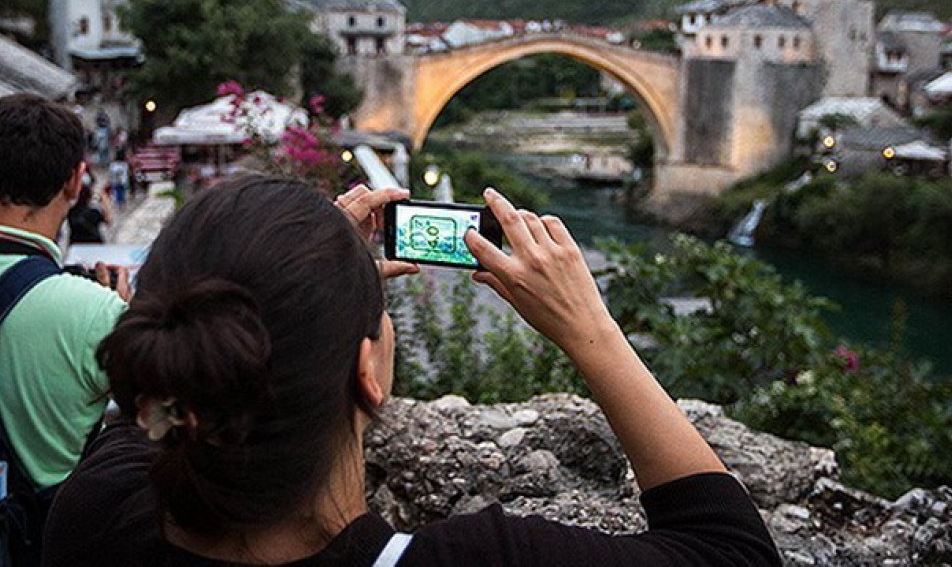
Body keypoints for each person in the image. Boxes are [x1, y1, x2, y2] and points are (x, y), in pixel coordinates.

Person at [43, 177, 781, 566]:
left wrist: (297, 278)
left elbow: (143, 417)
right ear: (368, 373)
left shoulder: (95, 516)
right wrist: (591, 330)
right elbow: (733, 551)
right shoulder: (485, 558)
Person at [0, 94, 129, 559]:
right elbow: (166, 421)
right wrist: (129, 325)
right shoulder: (96, 312)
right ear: (76, 183)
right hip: (39, 543)